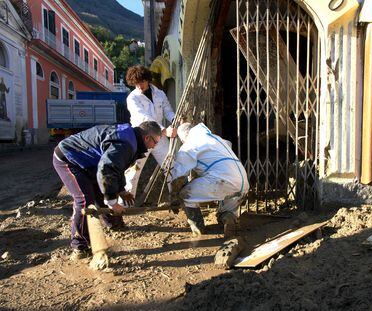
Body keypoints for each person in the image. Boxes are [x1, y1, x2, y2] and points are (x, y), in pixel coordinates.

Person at [52, 121, 162, 260]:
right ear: (146, 138)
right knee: (85, 200)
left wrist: (121, 190)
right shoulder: (126, 144)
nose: (154, 146)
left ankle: (115, 224)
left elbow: (117, 167)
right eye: (155, 142)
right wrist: (112, 202)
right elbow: (106, 170)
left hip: (90, 162)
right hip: (69, 158)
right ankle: (79, 246)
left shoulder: (131, 139)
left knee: (102, 190)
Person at [170, 122, 249, 238]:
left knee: (185, 195)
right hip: (243, 183)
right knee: (227, 209)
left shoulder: (189, 145)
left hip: (222, 180)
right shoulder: (217, 139)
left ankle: (198, 228)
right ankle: (229, 218)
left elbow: (179, 178)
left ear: (183, 138)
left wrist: (174, 197)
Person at [124, 65, 176, 202]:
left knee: (170, 165)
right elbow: (144, 118)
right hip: (141, 137)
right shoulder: (132, 98)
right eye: (135, 84)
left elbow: (168, 110)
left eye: (141, 82)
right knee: (134, 171)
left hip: (159, 138)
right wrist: (165, 130)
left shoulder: (159, 94)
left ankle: (176, 196)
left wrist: (176, 119)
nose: (139, 86)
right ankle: (127, 204)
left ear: (147, 80)